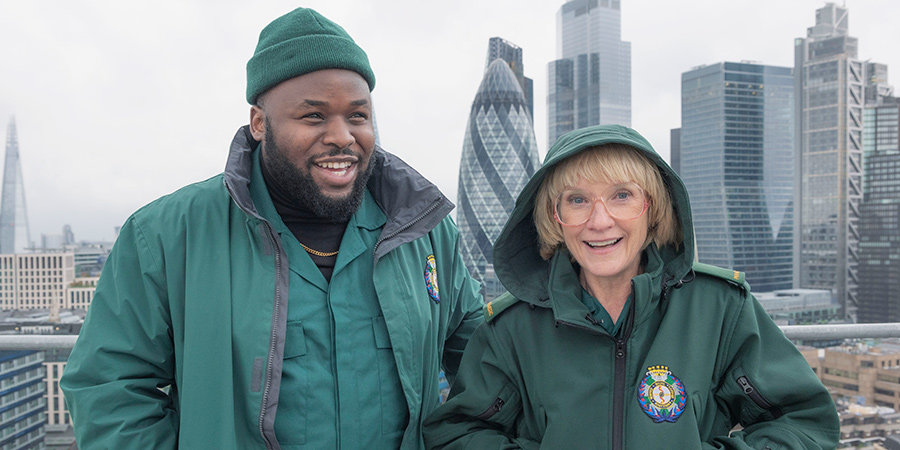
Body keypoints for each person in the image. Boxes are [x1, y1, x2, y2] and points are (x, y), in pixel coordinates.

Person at [60, 7, 483, 450]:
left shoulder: (424, 229)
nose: (342, 136)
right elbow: (109, 391)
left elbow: (486, 361)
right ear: (260, 123)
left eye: (357, 116)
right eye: (314, 116)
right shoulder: (167, 236)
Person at [423, 124, 840, 449]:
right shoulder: (510, 329)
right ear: (555, 217)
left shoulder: (719, 308)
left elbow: (804, 419)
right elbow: (458, 431)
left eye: (621, 195)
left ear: (652, 208)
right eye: (577, 199)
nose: (600, 221)